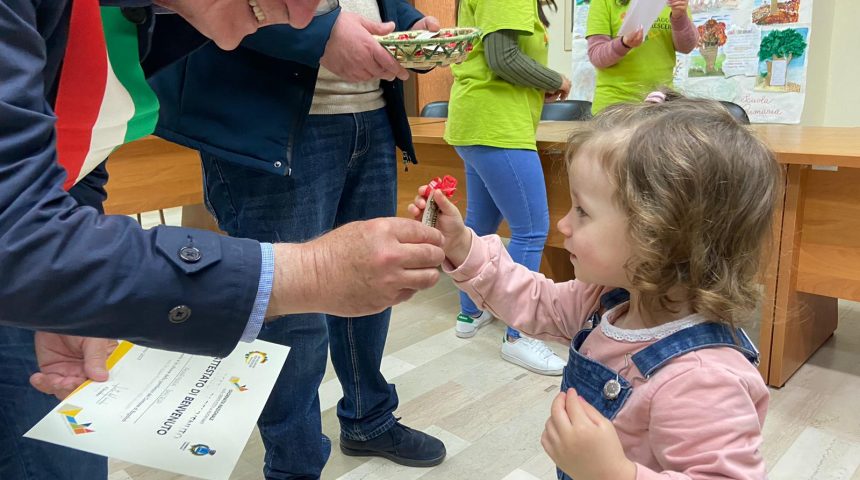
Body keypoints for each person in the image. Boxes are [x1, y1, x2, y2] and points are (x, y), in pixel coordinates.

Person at [0, 1, 444, 478]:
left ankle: (366, 418)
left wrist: (72, 283)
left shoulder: (145, 22)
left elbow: (68, 167)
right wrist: (303, 273)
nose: (305, 18)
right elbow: (18, 230)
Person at [410, 92, 779, 479]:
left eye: (582, 211)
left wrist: (614, 474)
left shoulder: (704, 379)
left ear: (659, 236)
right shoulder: (608, 302)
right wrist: (462, 245)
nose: (563, 225)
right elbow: (535, 302)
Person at [148, 2, 446, 476]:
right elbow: (213, 11)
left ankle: (368, 418)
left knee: (375, 287)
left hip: (369, 114)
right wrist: (322, 33)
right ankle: (295, 465)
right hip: (271, 127)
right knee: (289, 307)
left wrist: (411, 29)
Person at [443, 0, 570, 375]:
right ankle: (520, 335)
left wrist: (535, 82)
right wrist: (555, 79)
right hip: (498, 125)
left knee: (479, 223)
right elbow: (503, 58)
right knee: (531, 230)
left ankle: (470, 313)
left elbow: (497, 56)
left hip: (476, 121)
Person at [586, 0, 697, 113]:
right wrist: (624, 43)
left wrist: (680, 17)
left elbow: (686, 47)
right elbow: (596, 56)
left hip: (661, 103)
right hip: (615, 106)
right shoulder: (602, 2)